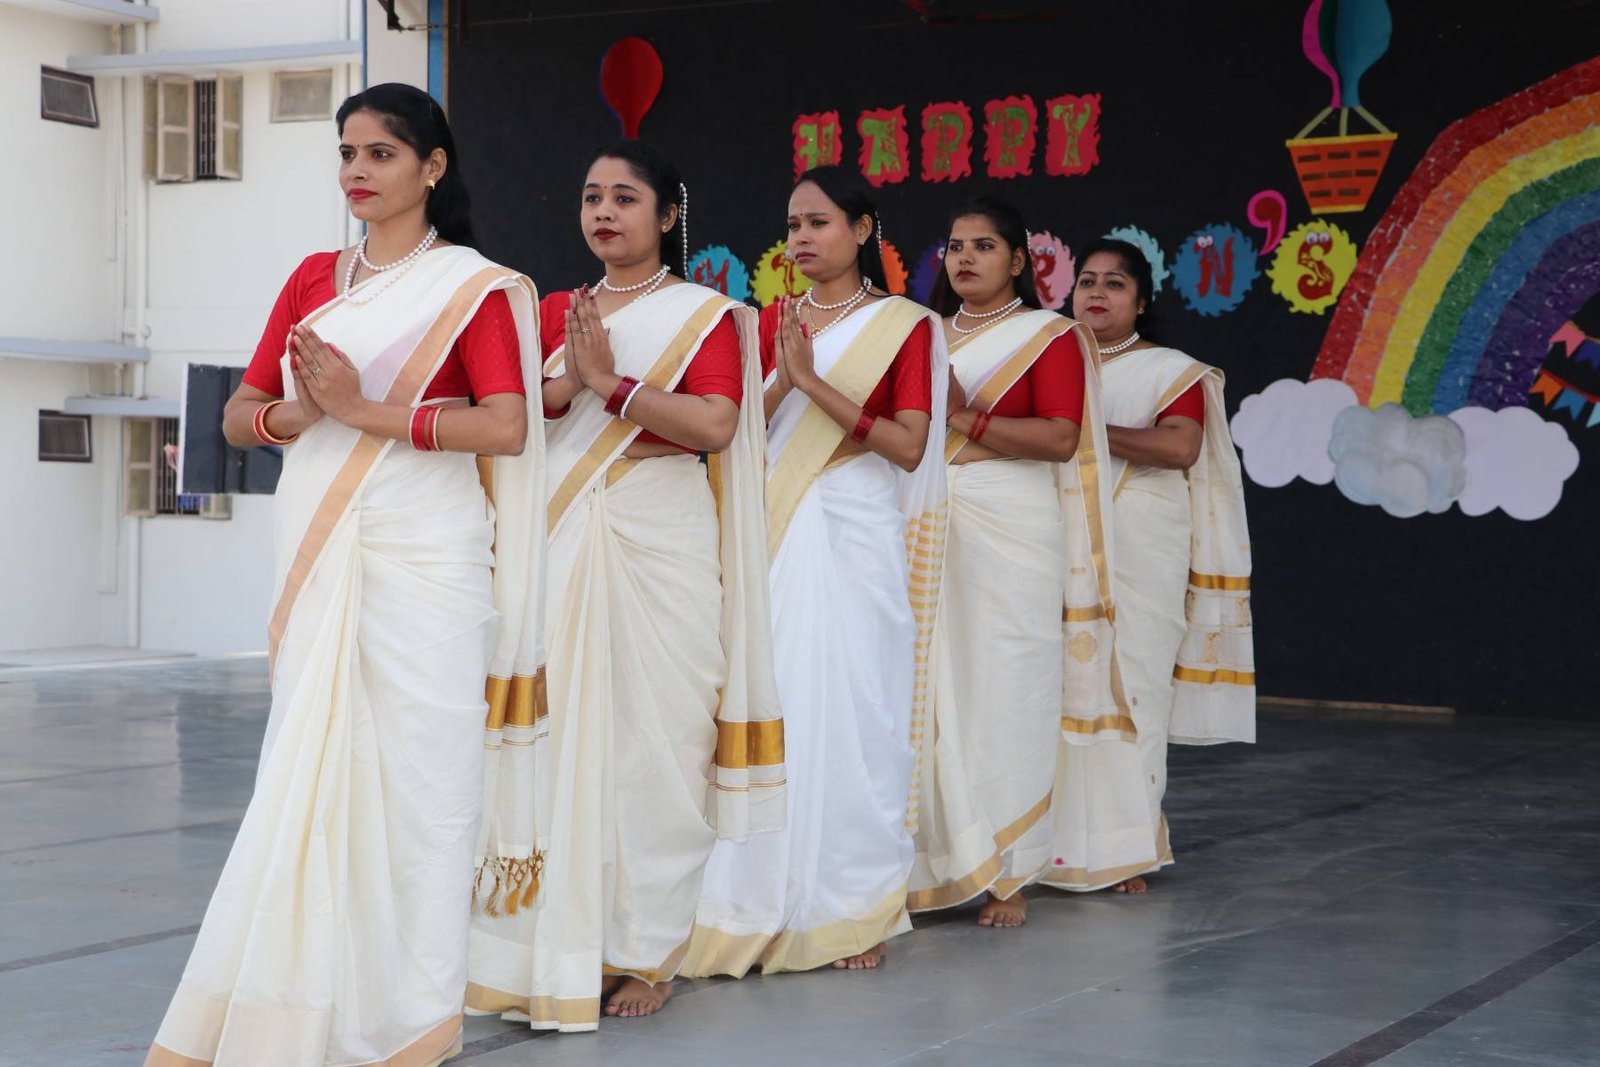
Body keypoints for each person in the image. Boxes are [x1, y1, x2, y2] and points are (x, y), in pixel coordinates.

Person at [146, 83, 544, 1067]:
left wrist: (367, 411)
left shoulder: (475, 289)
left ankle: (411, 1021)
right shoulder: (313, 281)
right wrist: (301, 413)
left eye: (381, 153)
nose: (357, 171)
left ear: (433, 167)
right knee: (310, 774)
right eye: (347, 152)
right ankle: (297, 1010)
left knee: (423, 787)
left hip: (430, 556)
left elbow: (506, 424)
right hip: (324, 544)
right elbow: (241, 414)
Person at [466, 140, 782, 1029]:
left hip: (659, 531)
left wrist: (607, 382)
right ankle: (547, 946)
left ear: (668, 215)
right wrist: (569, 381)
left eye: (625, 198)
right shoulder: (551, 310)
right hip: (562, 533)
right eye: (591, 197)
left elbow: (716, 423)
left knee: (657, 741)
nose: (603, 211)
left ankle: (647, 949)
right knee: (554, 736)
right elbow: (517, 416)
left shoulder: (708, 315)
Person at [683, 166, 948, 976]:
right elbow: (737, 428)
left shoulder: (904, 327)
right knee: (771, 694)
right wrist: (779, 379)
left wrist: (811, 382)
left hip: (853, 526)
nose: (801, 237)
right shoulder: (772, 320)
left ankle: (849, 903)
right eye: (793, 223)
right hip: (772, 524)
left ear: (863, 230)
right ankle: (747, 892)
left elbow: (909, 445)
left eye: (819, 222)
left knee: (854, 705)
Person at [907, 197, 1122, 928]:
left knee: (1005, 686)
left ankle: (1007, 867)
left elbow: (1060, 438)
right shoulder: (922, 332)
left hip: (1011, 522)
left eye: (983, 246)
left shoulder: (1047, 336)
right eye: (954, 246)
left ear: (1019, 260)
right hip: (928, 515)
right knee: (925, 686)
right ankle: (927, 858)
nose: (964, 258)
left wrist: (961, 414)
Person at [1045, 238, 1255, 896]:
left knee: (1134, 689)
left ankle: (1126, 848)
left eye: (1115, 283)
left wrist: (1076, 431)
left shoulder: (1171, 371)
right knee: (1054, 693)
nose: (1096, 293)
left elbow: (1180, 446)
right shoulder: (1045, 360)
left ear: (1141, 302)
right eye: (1087, 281)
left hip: (1141, 551)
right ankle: (1045, 847)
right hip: (1058, 547)